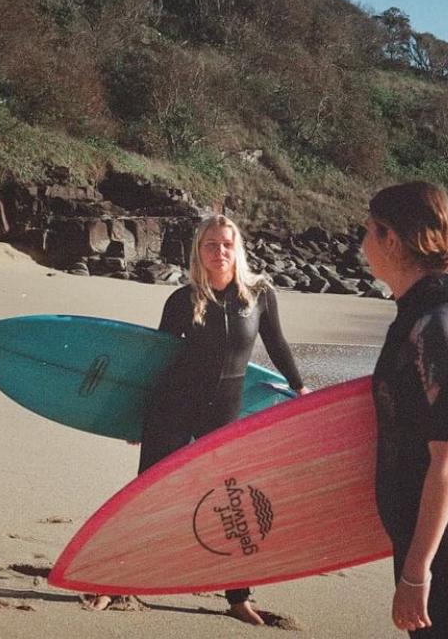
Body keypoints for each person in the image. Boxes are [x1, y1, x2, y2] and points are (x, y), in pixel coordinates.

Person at [88, 214, 307, 625]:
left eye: (226, 244)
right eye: (210, 245)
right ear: (198, 251)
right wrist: (135, 417)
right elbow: (157, 361)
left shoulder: (260, 295)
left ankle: (238, 596)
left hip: (223, 413)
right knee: (148, 496)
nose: (219, 252)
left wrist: (300, 388)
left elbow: (276, 345)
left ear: (237, 248)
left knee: (231, 502)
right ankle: (115, 582)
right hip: (172, 406)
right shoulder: (181, 300)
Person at [361, 181, 448, 638]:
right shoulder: (415, 316)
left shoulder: (440, 325)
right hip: (424, 542)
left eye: (368, 232)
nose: (362, 246)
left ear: (390, 239)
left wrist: (418, 571)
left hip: (445, 553)